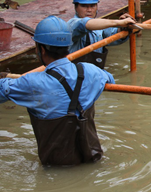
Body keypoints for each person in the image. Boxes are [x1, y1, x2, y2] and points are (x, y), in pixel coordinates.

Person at [0, 16, 115, 166]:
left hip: (56, 167)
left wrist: (4, 78)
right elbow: (109, 81)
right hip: (92, 159)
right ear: (68, 45)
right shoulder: (91, 71)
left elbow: (3, 90)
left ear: (41, 49)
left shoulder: (31, 83)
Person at [68, 0, 137, 69]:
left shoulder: (99, 28)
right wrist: (118, 22)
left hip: (94, 74)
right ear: (76, 7)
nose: (89, 10)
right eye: (84, 6)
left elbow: (113, 35)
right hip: (76, 77)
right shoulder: (72, 24)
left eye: (92, 5)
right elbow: (84, 24)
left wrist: (124, 27)